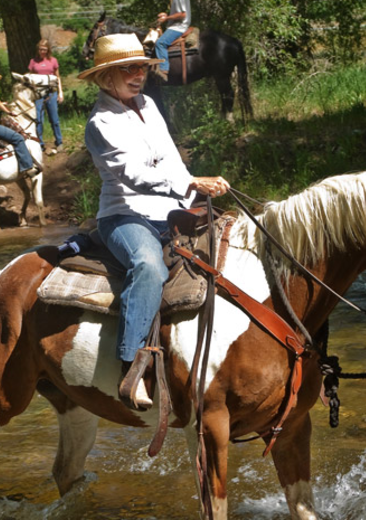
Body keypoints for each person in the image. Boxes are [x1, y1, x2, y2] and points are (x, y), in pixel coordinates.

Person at [78, 33, 230, 410]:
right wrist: (190, 182)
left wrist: (194, 190)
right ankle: (132, 367)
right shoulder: (100, 122)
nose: (138, 75)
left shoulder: (147, 103)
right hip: (123, 215)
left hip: (170, 208)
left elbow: (169, 160)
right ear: (104, 77)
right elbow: (131, 174)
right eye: (127, 69)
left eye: (141, 67)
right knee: (147, 266)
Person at [28, 40, 64, 156]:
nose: (42, 51)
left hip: (51, 92)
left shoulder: (53, 61)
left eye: (44, 49)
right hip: (38, 94)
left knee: (54, 119)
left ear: (48, 50)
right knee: (38, 119)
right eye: (40, 49)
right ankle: (40, 143)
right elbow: (30, 77)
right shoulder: (33, 62)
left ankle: (59, 141)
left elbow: (58, 77)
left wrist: (60, 92)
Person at [154, 0, 191, 83]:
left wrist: (166, 18)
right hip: (177, 26)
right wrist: (167, 16)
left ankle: (163, 70)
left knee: (160, 43)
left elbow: (183, 15)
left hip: (178, 27)